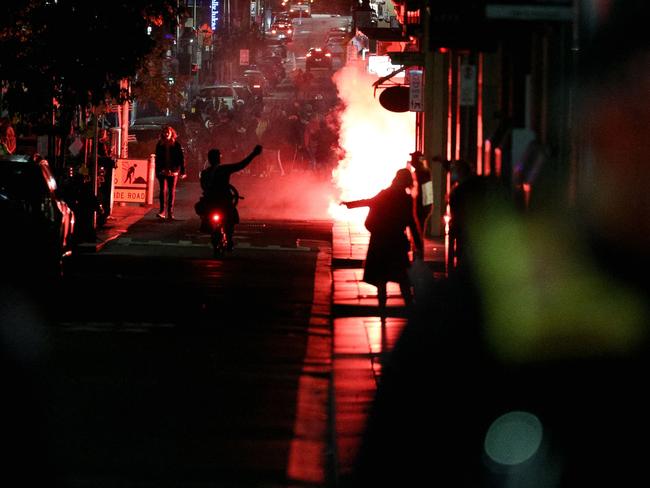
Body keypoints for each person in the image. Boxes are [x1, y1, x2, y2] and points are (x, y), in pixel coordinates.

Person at [341, 168, 423, 313]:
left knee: (381, 277)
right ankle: (410, 307)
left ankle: (382, 309)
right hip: (396, 241)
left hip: (379, 240)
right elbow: (411, 222)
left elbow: (368, 202)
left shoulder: (384, 193)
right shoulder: (406, 199)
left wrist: (349, 204)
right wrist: (418, 244)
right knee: (402, 277)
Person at [198, 144, 263, 250]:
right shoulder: (224, 169)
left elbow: (203, 188)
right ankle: (228, 238)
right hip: (224, 201)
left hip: (210, 201)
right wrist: (254, 154)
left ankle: (217, 232)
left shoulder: (204, 173)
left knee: (206, 214)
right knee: (231, 218)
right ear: (219, 158)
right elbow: (241, 165)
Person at [154, 125, 186, 220]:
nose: (166, 134)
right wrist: (158, 170)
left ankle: (170, 213)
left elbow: (181, 159)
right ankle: (162, 211)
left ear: (172, 133)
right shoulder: (160, 144)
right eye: (165, 132)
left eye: (168, 132)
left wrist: (182, 171)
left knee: (171, 191)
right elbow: (157, 159)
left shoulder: (176, 145)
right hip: (162, 171)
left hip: (173, 171)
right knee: (162, 191)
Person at [408, 150, 433, 237]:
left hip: (420, 204)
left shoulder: (422, 172)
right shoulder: (422, 171)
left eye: (413, 159)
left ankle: (418, 247)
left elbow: (425, 189)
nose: (411, 161)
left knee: (418, 228)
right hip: (421, 204)